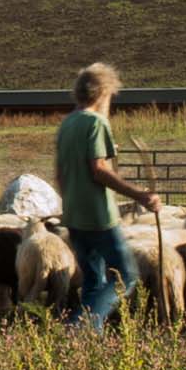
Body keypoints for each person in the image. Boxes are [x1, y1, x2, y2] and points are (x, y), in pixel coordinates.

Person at [55, 62, 161, 330]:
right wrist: (140, 195)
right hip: (99, 215)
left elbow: (60, 173)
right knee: (126, 276)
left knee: (93, 280)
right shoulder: (96, 122)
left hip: (74, 215)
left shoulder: (67, 124)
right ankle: (80, 324)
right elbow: (99, 170)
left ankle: (90, 341)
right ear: (103, 92)